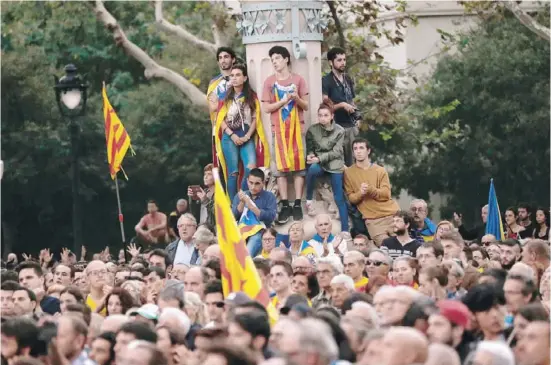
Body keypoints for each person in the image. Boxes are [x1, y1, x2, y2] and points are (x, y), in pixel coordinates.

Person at [261, 45, 309, 223]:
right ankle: (285, 204)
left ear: (286, 59)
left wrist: (296, 98)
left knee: (299, 167)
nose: (275, 62)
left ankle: (297, 203)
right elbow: (266, 108)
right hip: (278, 130)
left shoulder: (298, 80)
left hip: (297, 129)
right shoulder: (269, 82)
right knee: (280, 169)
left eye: (278, 58)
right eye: (272, 60)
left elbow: (306, 105)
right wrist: (282, 102)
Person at [214, 63, 270, 201]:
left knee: (251, 168)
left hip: (246, 136)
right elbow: (220, 119)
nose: (234, 78)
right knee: (233, 172)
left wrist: (247, 136)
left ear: (244, 78)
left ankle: (244, 199)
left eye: (238, 75)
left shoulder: (252, 96)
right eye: (232, 75)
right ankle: (234, 205)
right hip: (229, 137)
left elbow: (255, 119)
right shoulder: (224, 97)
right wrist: (232, 135)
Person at [343, 138, 399, 246]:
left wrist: (370, 190)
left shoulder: (380, 170)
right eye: (355, 149)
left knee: (404, 248)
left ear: (368, 151)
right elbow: (351, 198)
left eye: (361, 148)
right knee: (386, 248)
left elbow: (386, 194)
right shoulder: (349, 173)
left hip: (393, 215)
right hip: (373, 220)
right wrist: (361, 193)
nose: (358, 151)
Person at [304, 101, 348, 231]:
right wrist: (310, 156)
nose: (322, 118)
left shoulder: (340, 130)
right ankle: (309, 200)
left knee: (339, 197)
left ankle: (345, 230)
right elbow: (310, 148)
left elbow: (337, 152)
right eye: (320, 115)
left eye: (326, 115)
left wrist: (319, 158)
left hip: (335, 164)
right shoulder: (312, 130)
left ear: (332, 116)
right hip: (320, 164)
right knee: (311, 170)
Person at [322, 47, 360, 167]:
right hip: (337, 127)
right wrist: (342, 105)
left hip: (351, 126)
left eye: (344, 59)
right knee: (340, 164)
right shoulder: (326, 81)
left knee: (354, 163)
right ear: (330, 62)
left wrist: (357, 116)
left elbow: (352, 100)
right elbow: (325, 107)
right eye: (339, 60)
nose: (343, 62)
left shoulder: (347, 78)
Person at [232, 168, 277, 257]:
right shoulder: (240, 195)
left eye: (257, 184)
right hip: (241, 229)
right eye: (251, 183)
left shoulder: (269, 196)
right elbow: (234, 217)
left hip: (260, 231)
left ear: (263, 183)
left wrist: (251, 206)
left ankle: (245, 264)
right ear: (247, 181)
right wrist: (242, 202)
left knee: (256, 238)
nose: (253, 187)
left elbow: (270, 217)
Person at [208, 47, 236, 166]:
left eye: (226, 57)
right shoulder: (214, 83)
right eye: (220, 58)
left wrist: (219, 99)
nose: (223, 60)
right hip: (219, 128)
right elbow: (212, 108)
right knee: (221, 165)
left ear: (233, 59)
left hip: (238, 127)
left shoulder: (239, 77)